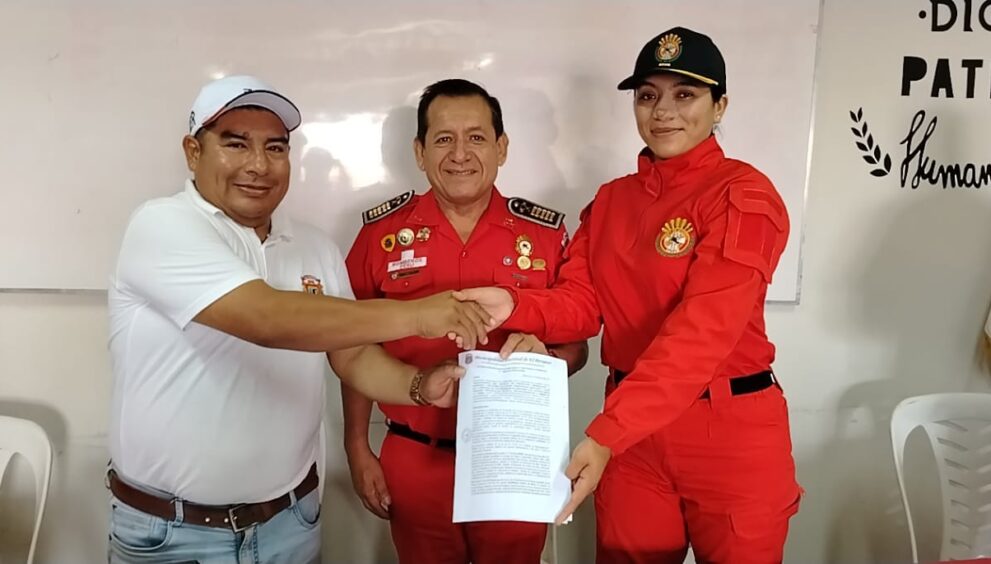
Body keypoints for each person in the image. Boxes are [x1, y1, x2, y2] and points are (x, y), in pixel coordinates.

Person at [106, 75, 493, 564]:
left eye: (275, 148)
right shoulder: (161, 225)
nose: (258, 164)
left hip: (289, 522)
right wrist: (419, 315)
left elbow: (352, 356)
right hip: (174, 532)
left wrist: (417, 385)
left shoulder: (315, 246)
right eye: (235, 144)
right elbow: (266, 318)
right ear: (193, 152)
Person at [461, 28, 801, 563]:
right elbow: (582, 302)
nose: (663, 111)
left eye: (685, 94)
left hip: (727, 432)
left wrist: (605, 434)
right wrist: (516, 305)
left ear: (720, 106)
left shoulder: (743, 194)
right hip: (634, 440)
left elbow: (702, 333)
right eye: (648, 96)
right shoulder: (612, 201)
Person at [342, 79, 588, 564]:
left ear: (501, 148)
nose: (459, 154)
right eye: (443, 139)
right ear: (419, 151)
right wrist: (356, 446)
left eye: (476, 137)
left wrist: (550, 356)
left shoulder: (544, 236)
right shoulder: (380, 236)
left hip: (513, 459)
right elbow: (350, 345)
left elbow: (577, 347)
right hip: (415, 456)